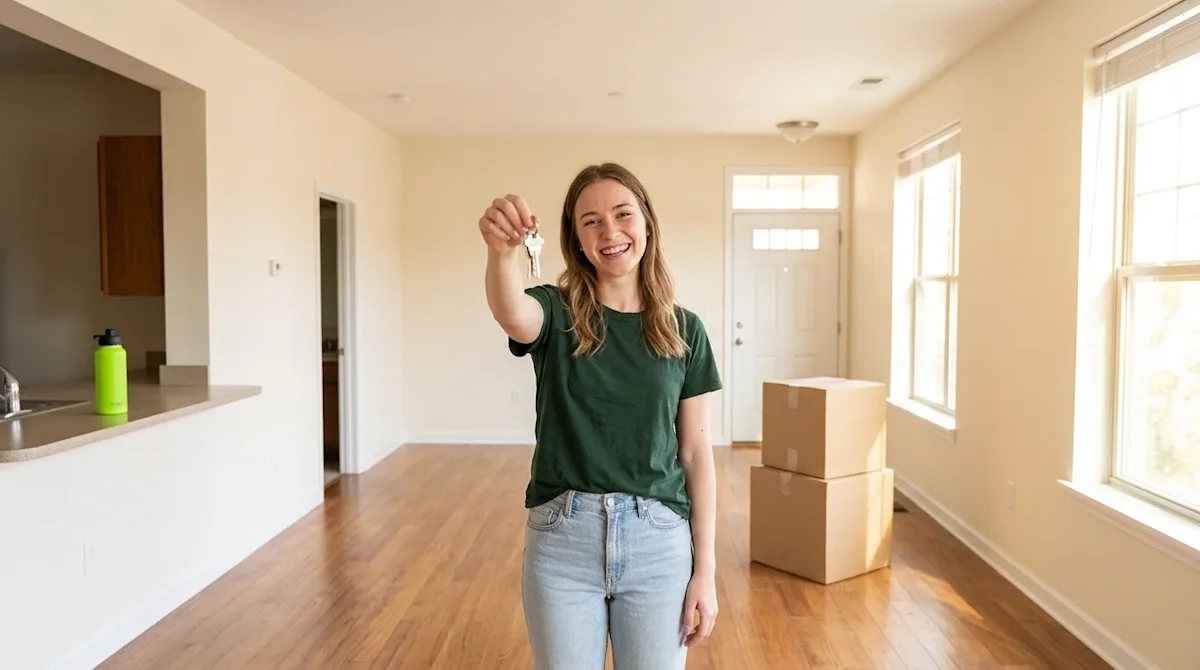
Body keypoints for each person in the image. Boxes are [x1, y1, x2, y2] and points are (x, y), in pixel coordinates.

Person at [477, 162, 723, 669]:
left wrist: (707, 570)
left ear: (647, 224)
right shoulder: (556, 311)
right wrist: (501, 253)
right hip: (562, 544)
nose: (609, 232)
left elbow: (696, 454)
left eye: (622, 214)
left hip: (659, 545)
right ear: (576, 240)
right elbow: (512, 314)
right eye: (590, 221)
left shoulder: (685, 331)